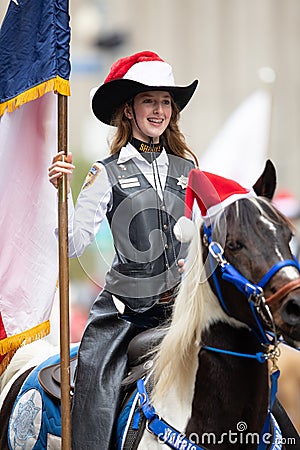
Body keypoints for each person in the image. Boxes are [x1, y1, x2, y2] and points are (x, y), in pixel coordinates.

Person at [48, 50, 198, 449]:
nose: (159, 109)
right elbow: (73, 245)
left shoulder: (190, 169)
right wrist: (61, 194)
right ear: (129, 110)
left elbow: (212, 229)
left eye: (166, 101)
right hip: (123, 315)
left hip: (182, 309)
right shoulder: (105, 171)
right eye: (149, 100)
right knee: (95, 400)